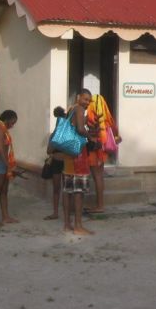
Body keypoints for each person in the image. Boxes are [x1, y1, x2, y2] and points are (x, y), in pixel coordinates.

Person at [54, 89, 94, 235]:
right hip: (78, 157)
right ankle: (78, 225)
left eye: (89, 100)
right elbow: (80, 129)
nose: (87, 103)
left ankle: (67, 224)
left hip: (68, 156)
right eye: (85, 99)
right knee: (78, 192)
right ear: (78, 97)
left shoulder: (70, 109)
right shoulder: (79, 109)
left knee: (67, 191)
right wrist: (91, 137)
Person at [85, 94, 121, 213]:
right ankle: (99, 204)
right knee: (99, 177)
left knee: (97, 177)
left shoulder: (92, 118)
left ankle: (100, 206)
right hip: (102, 150)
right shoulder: (105, 119)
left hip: (95, 150)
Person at [43, 106, 67, 221]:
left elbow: (49, 150)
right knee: (63, 189)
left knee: (58, 189)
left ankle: (56, 212)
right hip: (65, 162)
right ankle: (60, 212)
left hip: (59, 162)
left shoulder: (56, 134)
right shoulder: (65, 134)